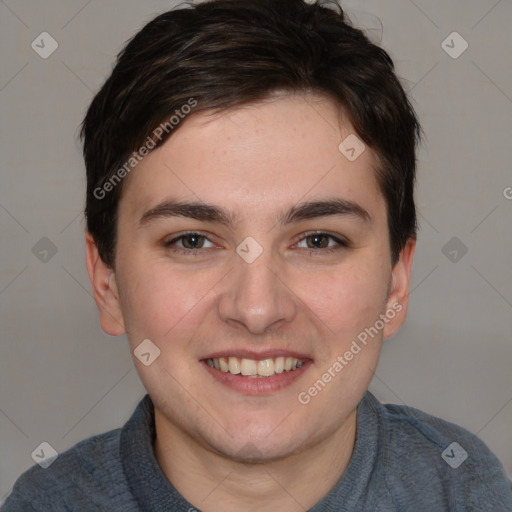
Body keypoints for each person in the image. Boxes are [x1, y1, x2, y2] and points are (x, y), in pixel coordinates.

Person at [3, 0, 511, 510]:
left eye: (318, 240)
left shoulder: (465, 488)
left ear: (396, 285)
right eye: (192, 241)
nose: (257, 309)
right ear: (106, 283)